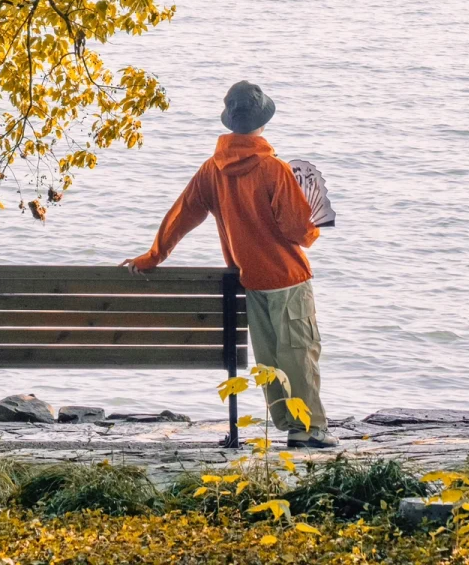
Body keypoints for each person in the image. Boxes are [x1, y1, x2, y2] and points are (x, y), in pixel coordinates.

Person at [121, 79, 332, 447]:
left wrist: (154, 256)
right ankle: (308, 430)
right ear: (262, 122)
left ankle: (286, 423)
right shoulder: (274, 169)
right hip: (287, 277)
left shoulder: (211, 170)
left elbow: (181, 215)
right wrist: (313, 231)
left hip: (250, 281)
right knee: (299, 353)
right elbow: (298, 231)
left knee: (269, 359)